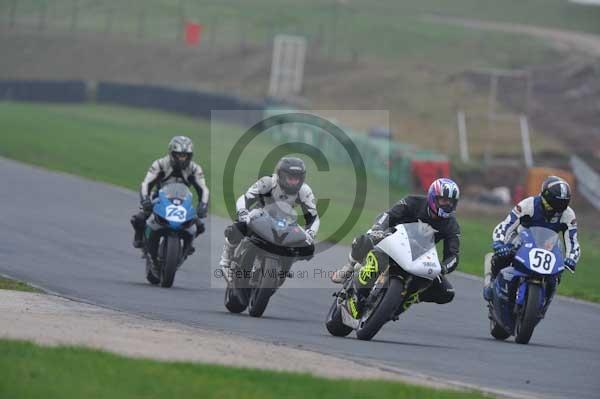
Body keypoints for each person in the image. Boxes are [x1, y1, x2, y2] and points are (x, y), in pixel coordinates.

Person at [331, 178, 461, 306]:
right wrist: (378, 229)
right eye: (444, 200)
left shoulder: (452, 225)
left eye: (451, 202)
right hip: (391, 238)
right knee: (364, 239)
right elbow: (388, 215)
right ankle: (349, 267)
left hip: (418, 256)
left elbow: (453, 255)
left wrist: (442, 268)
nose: (447, 205)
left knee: (447, 292)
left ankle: (410, 297)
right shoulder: (412, 202)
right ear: (433, 197)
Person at [219, 157, 319, 276]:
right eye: (290, 178)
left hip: (285, 222)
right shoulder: (268, 182)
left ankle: (285, 263)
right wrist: (243, 212)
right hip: (259, 216)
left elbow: (313, 217)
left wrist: (310, 233)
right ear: (281, 175)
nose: (293, 182)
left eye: (296, 178)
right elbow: (245, 198)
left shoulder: (305, 191)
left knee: (309, 248)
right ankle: (226, 258)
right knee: (236, 228)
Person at [484, 176, 580, 300]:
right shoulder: (528, 204)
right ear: (544, 197)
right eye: (553, 204)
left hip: (548, 246)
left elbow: (572, 240)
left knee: (556, 274)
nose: (556, 209)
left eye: (561, 205)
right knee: (503, 255)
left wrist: (571, 258)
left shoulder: (568, 214)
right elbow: (507, 224)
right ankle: (492, 282)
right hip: (521, 239)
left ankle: (545, 299)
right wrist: (499, 242)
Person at [130, 136, 209, 251]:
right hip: (159, 198)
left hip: (183, 201)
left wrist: (203, 206)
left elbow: (203, 189)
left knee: (200, 226)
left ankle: (188, 245)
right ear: (172, 153)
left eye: (185, 156)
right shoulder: (160, 164)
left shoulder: (195, 168)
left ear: (190, 156)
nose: (182, 159)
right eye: (179, 155)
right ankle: (139, 237)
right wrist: (145, 200)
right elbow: (146, 184)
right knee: (139, 218)